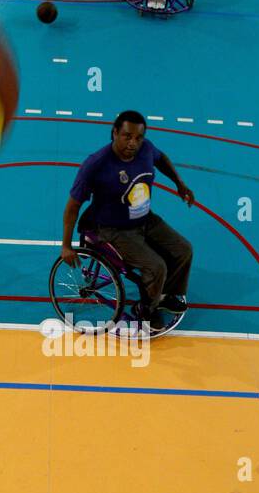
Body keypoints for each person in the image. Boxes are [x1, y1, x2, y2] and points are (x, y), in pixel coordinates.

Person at [60, 111, 194, 332]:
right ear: (114, 133)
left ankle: (165, 295)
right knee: (156, 266)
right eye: (127, 136)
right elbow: (72, 206)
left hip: (144, 219)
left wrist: (179, 183)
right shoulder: (96, 164)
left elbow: (161, 159)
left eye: (138, 137)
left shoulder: (146, 149)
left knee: (183, 249)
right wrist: (66, 245)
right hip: (113, 229)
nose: (133, 143)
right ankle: (146, 309)